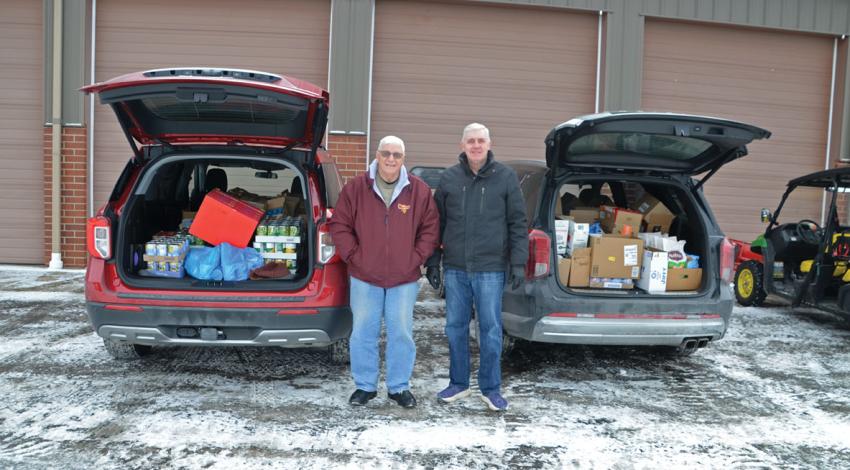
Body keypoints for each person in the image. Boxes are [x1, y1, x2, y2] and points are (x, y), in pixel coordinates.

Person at [329, 135, 440, 408]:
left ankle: (398, 387)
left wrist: (415, 258)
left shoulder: (419, 191)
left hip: (404, 278)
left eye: (397, 155)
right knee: (363, 333)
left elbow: (430, 229)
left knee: (401, 332)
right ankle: (365, 386)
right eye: (386, 153)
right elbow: (340, 225)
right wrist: (355, 256)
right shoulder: (356, 188)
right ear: (377, 156)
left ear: (404, 159)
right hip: (365, 276)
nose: (391, 159)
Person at [425, 123, 528, 411]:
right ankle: (458, 383)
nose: (476, 145)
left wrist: (518, 262)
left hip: (491, 268)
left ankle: (490, 388)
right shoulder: (449, 178)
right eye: (470, 141)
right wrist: (433, 261)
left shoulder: (506, 178)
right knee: (455, 327)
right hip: (456, 268)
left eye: (480, 140)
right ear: (462, 145)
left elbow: (518, 223)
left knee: (491, 329)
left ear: (489, 143)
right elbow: (437, 223)